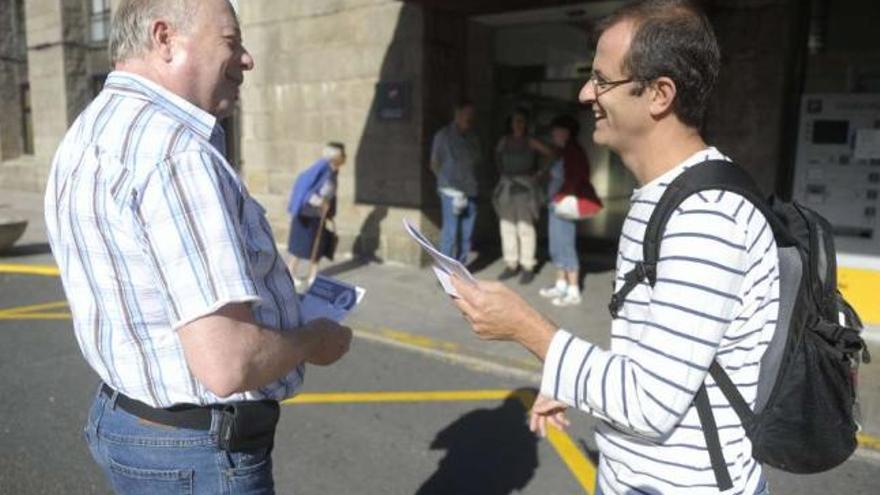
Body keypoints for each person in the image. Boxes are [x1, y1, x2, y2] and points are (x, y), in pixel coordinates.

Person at [450, 1, 777, 494]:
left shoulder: (704, 216)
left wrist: (529, 330)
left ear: (660, 94)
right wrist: (571, 380)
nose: (586, 94)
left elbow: (650, 402)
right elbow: (651, 357)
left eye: (602, 80)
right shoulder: (667, 194)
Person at [43, 1, 352, 493]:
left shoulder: (91, 128)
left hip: (126, 421)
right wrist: (315, 339)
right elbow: (229, 364)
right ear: (165, 38)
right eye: (231, 42)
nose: (247, 59)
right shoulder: (177, 154)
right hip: (196, 451)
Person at [537, 115, 597, 306]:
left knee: (565, 245)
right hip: (556, 205)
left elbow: (575, 179)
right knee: (556, 245)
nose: (553, 133)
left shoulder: (573, 151)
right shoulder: (563, 151)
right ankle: (561, 284)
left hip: (562, 205)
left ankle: (573, 290)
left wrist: (558, 198)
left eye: (556, 130)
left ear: (566, 132)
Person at [492, 108, 555, 285]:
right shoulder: (504, 141)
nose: (518, 124)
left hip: (525, 188)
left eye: (521, 121)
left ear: (525, 124)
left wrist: (540, 173)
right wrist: (503, 174)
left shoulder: (530, 141)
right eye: (515, 121)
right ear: (510, 124)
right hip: (507, 186)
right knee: (507, 228)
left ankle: (527, 266)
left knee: (525, 228)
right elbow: (496, 157)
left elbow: (551, 154)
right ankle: (511, 264)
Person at [287, 142, 346, 291]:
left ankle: (313, 277)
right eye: (342, 155)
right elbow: (306, 189)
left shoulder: (333, 171)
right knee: (299, 248)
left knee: (317, 246)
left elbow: (330, 194)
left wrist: (329, 210)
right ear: (336, 157)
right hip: (306, 213)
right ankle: (289, 275)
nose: (345, 158)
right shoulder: (322, 168)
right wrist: (320, 202)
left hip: (318, 215)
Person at [430, 99, 482, 264]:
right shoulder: (443, 135)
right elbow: (434, 163)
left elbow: (478, 160)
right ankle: (446, 271)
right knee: (450, 233)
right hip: (450, 191)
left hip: (470, 189)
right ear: (458, 114)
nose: (470, 118)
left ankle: (461, 268)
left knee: (466, 235)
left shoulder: (473, 137)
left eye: (472, 115)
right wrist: (445, 180)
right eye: (467, 114)